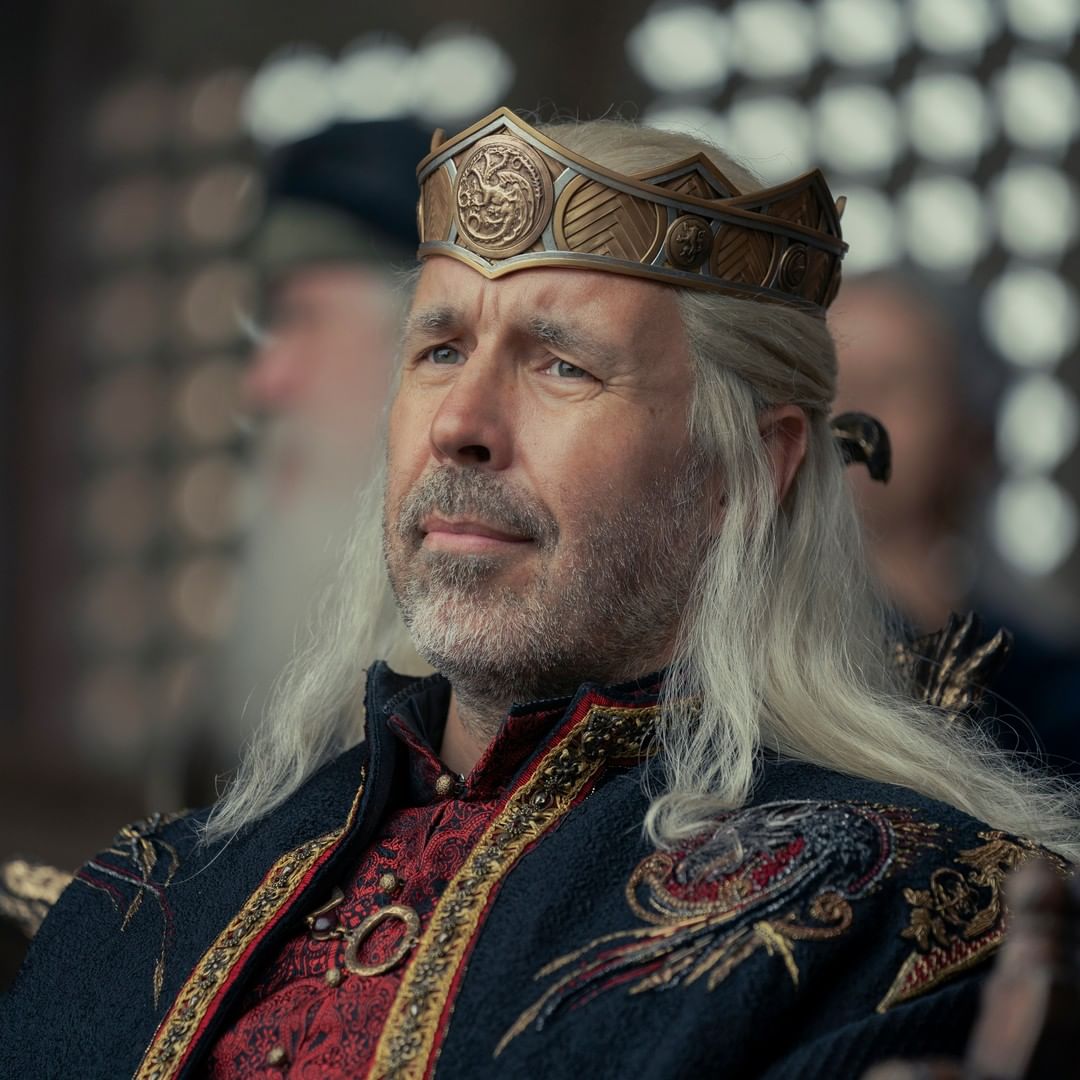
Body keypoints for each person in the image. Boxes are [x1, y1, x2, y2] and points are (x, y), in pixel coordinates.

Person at [3, 108, 1078, 1079]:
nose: (458, 424)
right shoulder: (148, 899)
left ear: (750, 470)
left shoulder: (914, 917)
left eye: (562, 365)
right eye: (437, 350)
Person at [830, 272, 1080, 774]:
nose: (849, 412)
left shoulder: (1042, 688)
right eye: (824, 383)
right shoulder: (725, 649)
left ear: (968, 431)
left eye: (889, 384)